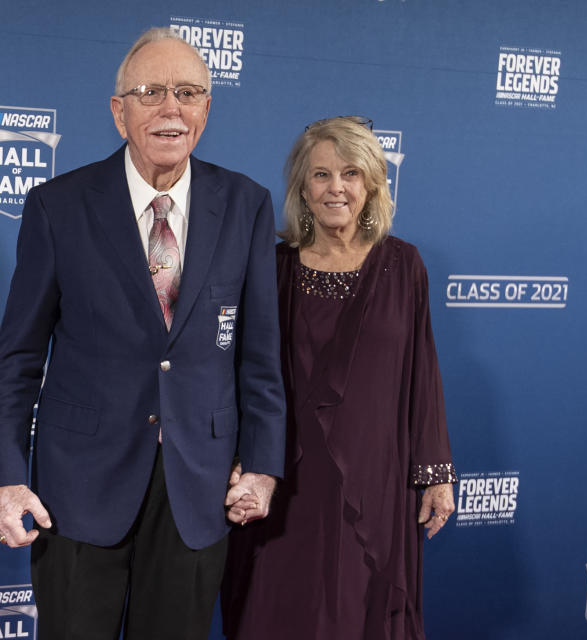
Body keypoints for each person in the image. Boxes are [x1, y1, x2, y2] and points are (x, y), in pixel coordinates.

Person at [0, 27, 286, 640]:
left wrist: (261, 465)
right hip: (77, 489)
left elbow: (260, 357)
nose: (170, 108)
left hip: (198, 491)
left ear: (207, 108)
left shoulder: (247, 204)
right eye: (150, 92)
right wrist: (8, 479)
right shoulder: (57, 206)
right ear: (119, 112)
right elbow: (18, 358)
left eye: (187, 92)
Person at [221, 116, 457, 640]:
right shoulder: (272, 265)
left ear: (371, 183)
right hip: (282, 478)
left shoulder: (404, 265)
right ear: (303, 187)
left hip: (376, 481)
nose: (336, 188)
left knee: (361, 610)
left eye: (350, 173)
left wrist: (436, 471)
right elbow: (238, 368)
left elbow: (423, 372)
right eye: (321, 174)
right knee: (274, 607)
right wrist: (239, 457)